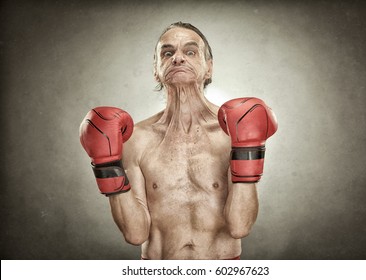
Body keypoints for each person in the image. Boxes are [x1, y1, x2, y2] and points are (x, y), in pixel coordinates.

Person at [79, 22, 277, 260]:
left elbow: (240, 227)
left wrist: (249, 147)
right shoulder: (136, 140)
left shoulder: (232, 134)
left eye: (190, 52)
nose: (178, 58)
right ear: (156, 69)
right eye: (168, 53)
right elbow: (135, 233)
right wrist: (105, 164)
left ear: (208, 68)